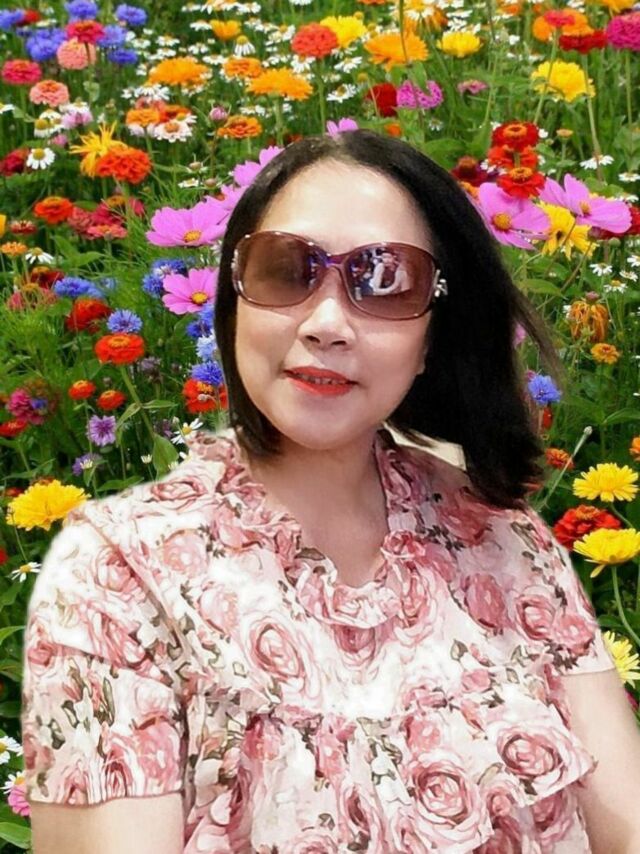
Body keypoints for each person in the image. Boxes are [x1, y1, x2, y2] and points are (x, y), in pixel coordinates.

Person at [22, 129, 640, 853]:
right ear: (234, 298)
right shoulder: (117, 581)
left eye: (385, 281)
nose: (326, 325)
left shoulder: (503, 537)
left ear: (433, 337)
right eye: (287, 270)